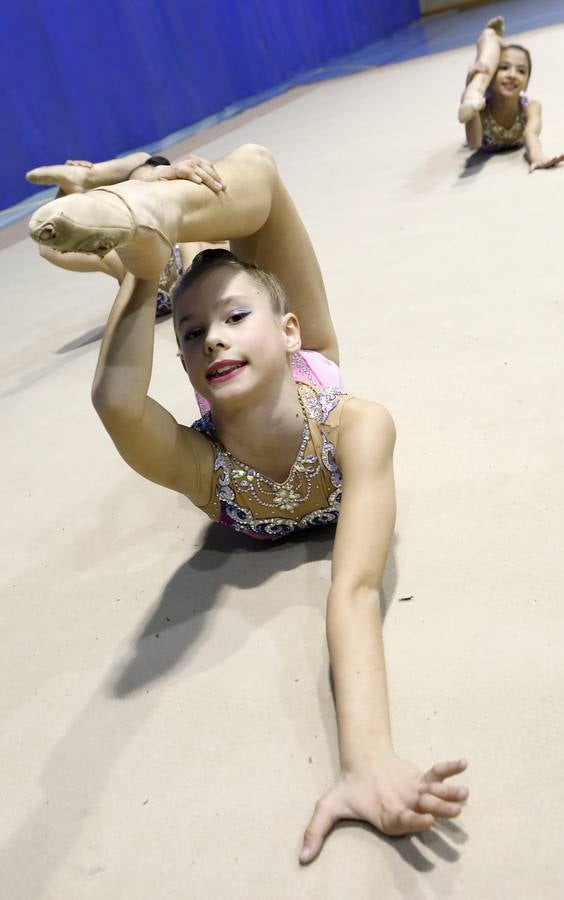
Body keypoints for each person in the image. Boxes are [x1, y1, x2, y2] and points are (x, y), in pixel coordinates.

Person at [28, 143, 469, 863]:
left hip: (286, 337)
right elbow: (115, 399)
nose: (215, 341)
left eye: (235, 321)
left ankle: (149, 202)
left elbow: (355, 588)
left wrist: (368, 757)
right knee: (112, 248)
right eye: (194, 335)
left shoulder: (358, 424)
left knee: (257, 166)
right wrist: (144, 283)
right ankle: (141, 221)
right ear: (186, 368)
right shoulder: (205, 467)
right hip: (163, 246)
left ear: (284, 332)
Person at [26, 152, 227, 317]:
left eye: (147, 189)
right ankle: (86, 177)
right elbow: (47, 247)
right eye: (133, 194)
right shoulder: (123, 258)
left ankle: (94, 175)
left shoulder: (191, 235)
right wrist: (68, 190)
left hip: (179, 220)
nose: (139, 200)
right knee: (141, 160)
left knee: (143, 159)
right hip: (143, 243)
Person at [458, 16, 564, 172]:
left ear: (527, 83)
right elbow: (474, 143)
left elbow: (531, 135)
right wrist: (472, 111)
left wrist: (537, 158)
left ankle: (494, 39)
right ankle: (488, 47)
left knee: (486, 65)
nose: (512, 75)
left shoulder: (531, 107)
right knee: (480, 71)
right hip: (476, 98)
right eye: (504, 68)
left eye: (521, 71)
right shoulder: (482, 110)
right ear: (492, 77)